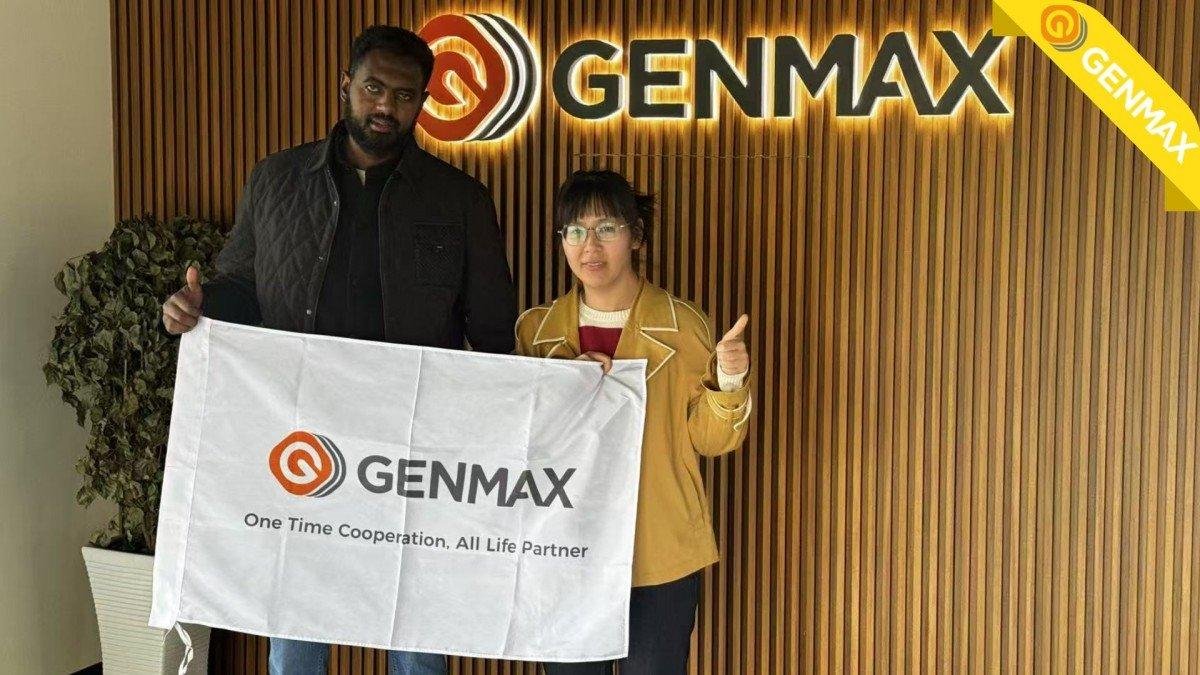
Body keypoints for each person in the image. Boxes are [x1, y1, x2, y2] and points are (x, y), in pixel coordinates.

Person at [160, 24, 518, 675]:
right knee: (297, 630)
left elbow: (493, 335)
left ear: (423, 103)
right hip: (300, 439)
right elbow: (242, 289)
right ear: (346, 86)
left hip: (413, 452)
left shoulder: (460, 200)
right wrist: (199, 306)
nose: (386, 105)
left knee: (417, 634)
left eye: (405, 95)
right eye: (374, 87)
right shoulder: (275, 180)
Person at [515, 170, 752, 674]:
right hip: (565, 544)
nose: (589, 246)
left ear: (637, 237)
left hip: (661, 548)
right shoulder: (537, 332)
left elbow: (709, 441)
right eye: (574, 231)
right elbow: (518, 443)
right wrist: (561, 388)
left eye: (607, 228)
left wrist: (730, 382)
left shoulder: (685, 324)